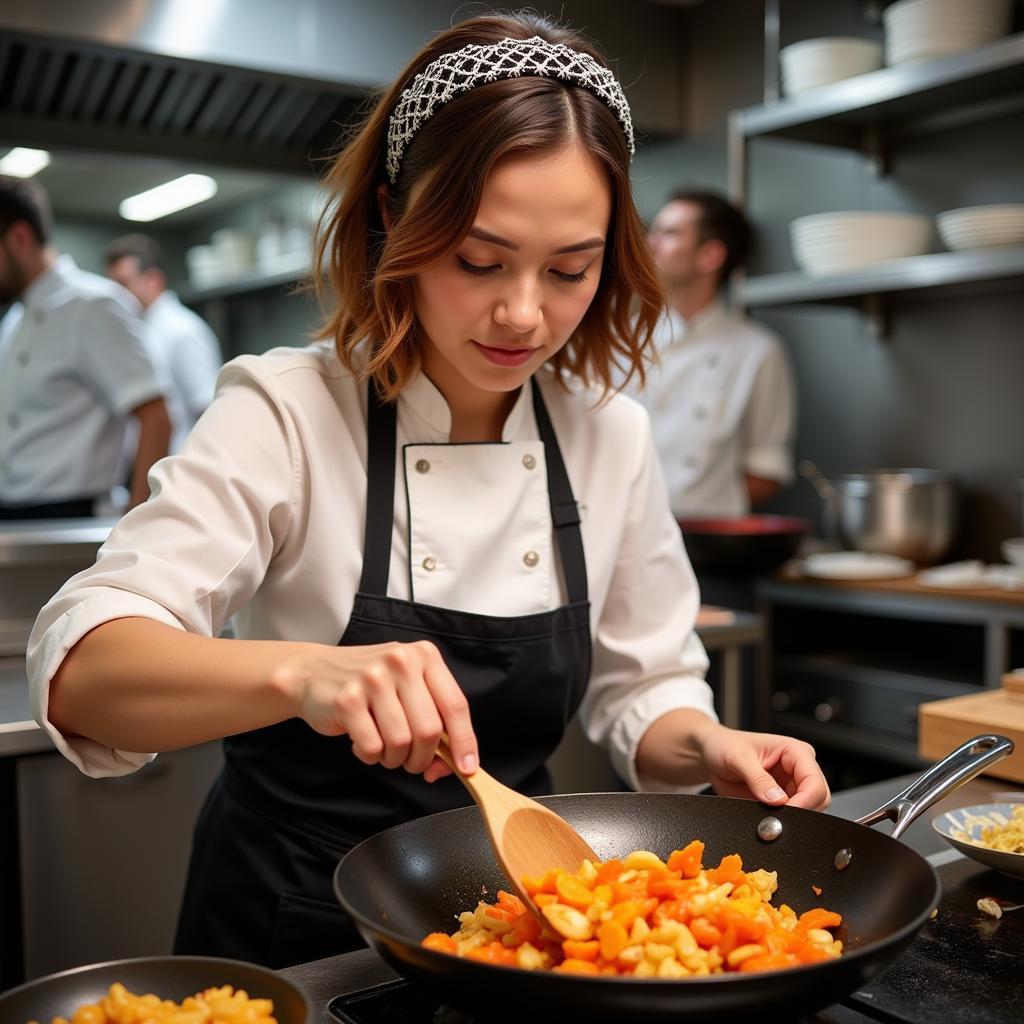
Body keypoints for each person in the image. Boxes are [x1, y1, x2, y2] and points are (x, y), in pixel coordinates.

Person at [27, 12, 829, 970]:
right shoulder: (287, 409)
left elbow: (644, 687)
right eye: (479, 262)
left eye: (570, 269)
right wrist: (303, 674)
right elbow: (84, 671)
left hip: (518, 925)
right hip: (290, 925)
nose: (523, 314)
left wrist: (710, 745)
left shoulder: (609, 434)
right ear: (394, 222)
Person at [0, 175, 170, 519]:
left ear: (19, 238)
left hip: (69, 515)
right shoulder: (15, 318)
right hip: (15, 512)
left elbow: (156, 418)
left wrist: (136, 526)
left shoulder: (93, 305)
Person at [639, 189, 797, 518]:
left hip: (708, 547)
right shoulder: (619, 340)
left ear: (710, 255)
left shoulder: (757, 352)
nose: (649, 244)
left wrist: (708, 508)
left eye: (669, 233)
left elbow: (766, 471)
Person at [105, 233, 222, 454]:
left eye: (122, 283)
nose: (115, 295)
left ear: (153, 280)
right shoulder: (142, 327)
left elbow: (209, 413)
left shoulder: (182, 331)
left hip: (183, 474)